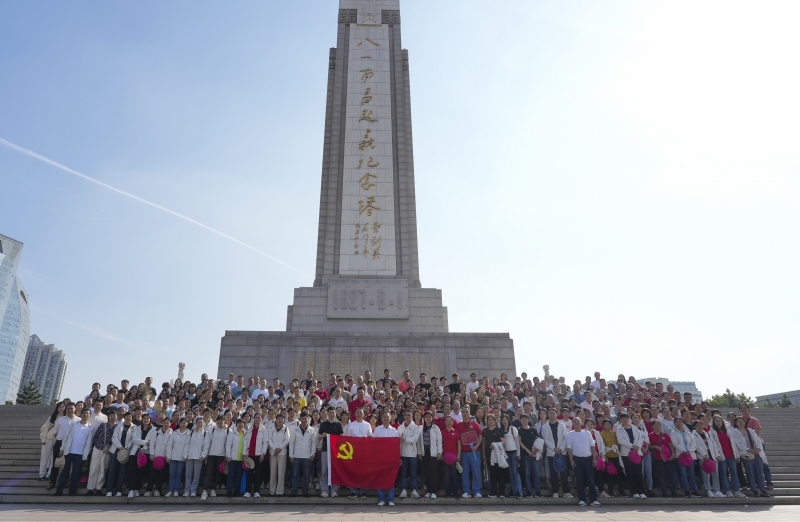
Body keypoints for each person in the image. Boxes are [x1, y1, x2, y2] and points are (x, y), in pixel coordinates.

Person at [54, 408, 93, 496]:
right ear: (81, 414)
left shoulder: (90, 428)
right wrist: (62, 449)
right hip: (69, 452)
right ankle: (59, 490)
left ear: (90, 416)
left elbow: (89, 443)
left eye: (87, 414)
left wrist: (87, 453)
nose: (85, 415)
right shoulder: (73, 425)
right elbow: (66, 437)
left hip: (80, 454)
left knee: (76, 473)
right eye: (84, 413)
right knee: (64, 472)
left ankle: (72, 491)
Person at [731, 416, 769, 497]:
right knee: (750, 472)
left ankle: (763, 490)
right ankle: (754, 489)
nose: (741, 423)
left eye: (742, 421)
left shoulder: (750, 431)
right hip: (746, 454)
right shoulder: (734, 432)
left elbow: (758, 441)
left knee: (760, 472)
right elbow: (737, 444)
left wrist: (758, 448)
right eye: (739, 421)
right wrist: (748, 449)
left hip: (756, 453)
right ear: (736, 423)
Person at [566, 417, 601, 507]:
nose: (576, 423)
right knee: (580, 480)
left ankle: (593, 500)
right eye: (574, 422)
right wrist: (571, 460)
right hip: (577, 459)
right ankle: (582, 499)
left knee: (591, 480)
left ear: (581, 423)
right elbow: (569, 448)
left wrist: (594, 459)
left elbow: (592, 446)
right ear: (572, 424)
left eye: (578, 421)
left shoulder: (587, 433)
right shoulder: (570, 434)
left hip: (588, 459)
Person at [711, 415, 745, 498]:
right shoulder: (712, 432)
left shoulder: (727, 431)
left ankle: (736, 490)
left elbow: (733, 444)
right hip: (722, 456)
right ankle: (727, 491)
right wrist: (717, 455)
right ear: (714, 423)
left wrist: (736, 454)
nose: (718, 422)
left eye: (720, 421)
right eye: (716, 421)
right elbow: (713, 445)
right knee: (723, 474)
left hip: (731, 455)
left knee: (734, 473)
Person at [541, 408, 571, 498]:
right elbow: (545, 439)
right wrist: (554, 448)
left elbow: (566, 437)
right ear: (548, 415)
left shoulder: (562, 425)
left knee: (563, 472)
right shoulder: (545, 426)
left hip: (562, 452)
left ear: (556, 414)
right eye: (550, 413)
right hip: (551, 452)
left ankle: (566, 492)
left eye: (553, 413)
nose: (552, 415)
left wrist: (561, 448)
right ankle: (555, 492)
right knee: (553, 473)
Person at [615, 413, 646, 499]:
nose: (625, 420)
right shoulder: (619, 429)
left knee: (639, 473)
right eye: (623, 418)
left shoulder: (635, 427)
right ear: (620, 420)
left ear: (629, 419)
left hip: (637, 453)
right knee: (630, 473)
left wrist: (637, 446)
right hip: (626, 454)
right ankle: (634, 492)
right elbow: (621, 440)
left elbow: (641, 438)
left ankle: (642, 492)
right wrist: (632, 446)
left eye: (626, 418)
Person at [86, 410, 117, 495]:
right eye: (111, 415)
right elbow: (96, 436)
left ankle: (99, 488)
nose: (112, 417)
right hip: (98, 447)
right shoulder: (103, 425)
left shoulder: (117, 427)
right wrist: (94, 446)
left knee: (103, 469)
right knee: (94, 467)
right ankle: (91, 488)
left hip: (108, 450)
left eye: (114, 415)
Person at [373, 412, 400, 506]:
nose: (385, 418)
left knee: (390, 479)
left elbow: (397, 446)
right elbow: (374, 444)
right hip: (380, 459)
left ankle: (391, 499)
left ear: (390, 419)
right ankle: (381, 499)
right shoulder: (377, 430)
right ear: (381, 419)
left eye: (387, 417)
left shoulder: (394, 431)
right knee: (380, 478)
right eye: (384, 417)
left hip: (391, 459)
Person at [670, 418, 702, 498]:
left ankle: (694, 490)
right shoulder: (673, 432)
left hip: (690, 455)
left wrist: (689, 451)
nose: (678, 423)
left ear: (683, 423)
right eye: (676, 422)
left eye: (680, 422)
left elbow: (694, 444)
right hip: (680, 455)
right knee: (683, 474)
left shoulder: (688, 433)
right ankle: (687, 491)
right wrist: (684, 451)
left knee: (691, 474)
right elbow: (675, 444)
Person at [48, 402, 77, 489]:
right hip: (59, 442)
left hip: (72, 444)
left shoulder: (78, 420)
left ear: (75, 409)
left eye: (72, 408)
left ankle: (63, 482)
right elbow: (55, 432)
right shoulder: (60, 420)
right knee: (56, 463)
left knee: (67, 464)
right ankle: (52, 481)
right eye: (68, 409)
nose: (70, 410)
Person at [345, 408, 372, 499]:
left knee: (364, 472)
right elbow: (348, 439)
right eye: (358, 412)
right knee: (354, 471)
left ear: (364, 414)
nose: (359, 414)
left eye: (361, 412)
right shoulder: (351, 425)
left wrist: (366, 438)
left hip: (364, 452)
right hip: (354, 452)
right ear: (355, 414)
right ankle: (354, 491)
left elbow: (371, 437)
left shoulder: (367, 425)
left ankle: (363, 491)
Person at [200, 416, 229, 500]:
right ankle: (204, 491)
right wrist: (204, 454)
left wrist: (227, 455)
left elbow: (227, 444)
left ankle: (213, 490)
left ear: (224, 422)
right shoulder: (211, 430)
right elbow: (207, 443)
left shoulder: (227, 431)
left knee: (217, 473)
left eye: (221, 423)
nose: (220, 424)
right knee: (209, 473)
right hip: (212, 455)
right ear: (216, 422)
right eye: (218, 423)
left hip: (221, 455)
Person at [456, 410, 483, 498]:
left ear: (469, 414)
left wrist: (476, 446)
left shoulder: (474, 424)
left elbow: (480, 436)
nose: (465, 414)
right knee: (465, 472)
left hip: (475, 452)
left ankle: (477, 491)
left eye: (466, 412)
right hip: (464, 453)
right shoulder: (458, 425)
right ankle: (466, 491)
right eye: (463, 412)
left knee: (476, 471)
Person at [317, 406, 343, 498]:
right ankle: (324, 490)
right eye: (330, 413)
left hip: (335, 451)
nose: (332, 414)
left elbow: (341, 437)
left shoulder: (338, 424)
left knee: (334, 470)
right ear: (327, 413)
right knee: (324, 470)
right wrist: (323, 435)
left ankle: (334, 490)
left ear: (335, 414)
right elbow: (318, 437)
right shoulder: (323, 424)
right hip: (325, 450)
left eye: (333, 413)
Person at [289, 412, 316, 497]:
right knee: (295, 475)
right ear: (300, 419)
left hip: (307, 456)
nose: (304, 420)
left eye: (306, 418)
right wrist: (291, 455)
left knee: (306, 476)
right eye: (302, 418)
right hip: (296, 456)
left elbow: (313, 443)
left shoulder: (312, 430)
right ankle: (294, 492)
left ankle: (305, 492)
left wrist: (312, 454)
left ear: (308, 419)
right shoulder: (295, 429)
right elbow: (292, 443)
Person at [648, 420, 677, 498]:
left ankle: (673, 492)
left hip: (668, 458)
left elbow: (670, 445)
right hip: (658, 458)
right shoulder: (650, 435)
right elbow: (649, 446)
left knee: (669, 475)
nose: (657, 426)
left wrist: (673, 453)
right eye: (655, 425)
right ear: (652, 426)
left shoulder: (665, 435)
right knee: (661, 475)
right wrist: (655, 447)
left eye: (658, 425)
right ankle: (664, 492)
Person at [243, 413, 268, 498]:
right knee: (249, 474)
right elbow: (246, 441)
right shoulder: (250, 429)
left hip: (258, 455)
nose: (257, 419)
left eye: (259, 418)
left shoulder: (264, 430)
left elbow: (265, 442)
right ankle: (248, 491)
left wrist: (263, 453)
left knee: (258, 474)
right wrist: (245, 453)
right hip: (250, 455)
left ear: (261, 419)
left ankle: (257, 491)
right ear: (254, 419)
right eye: (256, 418)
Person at [397, 408, 421, 499]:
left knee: (413, 473)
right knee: (403, 473)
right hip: (402, 454)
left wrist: (405, 439)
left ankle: (413, 490)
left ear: (412, 416)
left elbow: (415, 439)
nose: (407, 416)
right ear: (403, 416)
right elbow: (397, 439)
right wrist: (401, 440)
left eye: (409, 415)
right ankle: (404, 490)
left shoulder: (415, 427)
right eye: (405, 415)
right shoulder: (400, 427)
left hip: (412, 454)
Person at [419, 411, 442, 499]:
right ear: (424, 418)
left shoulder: (436, 428)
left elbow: (439, 440)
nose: (428, 418)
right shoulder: (420, 428)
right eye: (426, 417)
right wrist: (419, 453)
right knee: (427, 472)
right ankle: (428, 491)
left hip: (434, 452)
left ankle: (434, 491)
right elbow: (419, 442)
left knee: (434, 472)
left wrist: (439, 452)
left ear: (432, 418)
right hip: (425, 452)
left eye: (429, 417)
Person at [518, 414, 542, 497]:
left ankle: (537, 491)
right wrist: (527, 451)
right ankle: (529, 491)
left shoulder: (533, 429)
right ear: (520, 420)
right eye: (522, 419)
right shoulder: (519, 430)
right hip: (525, 454)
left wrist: (537, 449)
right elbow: (519, 442)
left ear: (528, 420)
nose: (524, 420)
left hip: (534, 454)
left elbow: (539, 440)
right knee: (527, 473)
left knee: (536, 473)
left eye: (525, 419)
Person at [166, 417, 190, 497]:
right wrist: (168, 456)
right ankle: (170, 490)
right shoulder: (175, 433)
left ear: (187, 424)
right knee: (172, 474)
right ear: (179, 424)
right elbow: (169, 445)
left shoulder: (189, 433)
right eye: (181, 423)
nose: (183, 424)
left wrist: (185, 455)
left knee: (178, 474)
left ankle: (176, 490)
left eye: (184, 423)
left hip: (182, 458)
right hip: (173, 457)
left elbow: (187, 445)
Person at [483, 415, 506, 498]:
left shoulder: (499, 430)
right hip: (489, 454)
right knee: (492, 473)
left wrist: (495, 445)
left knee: (499, 473)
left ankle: (502, 493)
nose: (490, 421)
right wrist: (483, 453)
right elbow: (484, 443)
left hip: (497, 454)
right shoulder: (485, 430)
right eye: (489, 420)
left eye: (492, 420)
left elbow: (503, 441)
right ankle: (493, 492)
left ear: (495, 421)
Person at [500, 415, 523, 498]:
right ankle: (513, 491)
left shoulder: (513, 429)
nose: (504, 421)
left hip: (514, 452)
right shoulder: (501, 430)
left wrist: (518, 453)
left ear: (509, 420)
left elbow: (517, 442)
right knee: (511, 473)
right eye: (503, 420)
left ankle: (519, 492)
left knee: (516, 473)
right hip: (506, 453)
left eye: (506, 419)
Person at [268, 414, 291, 496]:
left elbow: (287, 440)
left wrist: (279, 448)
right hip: (273, 453)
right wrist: (275, 449)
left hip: (282, 453)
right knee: (273, 472)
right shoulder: (271, 429)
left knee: (281, 473)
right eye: (278, 419)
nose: (280, 421)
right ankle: (272, 490)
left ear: (283, 420)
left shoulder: (286, 429)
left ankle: (280, 491)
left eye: (281, 419)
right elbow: (269, 440)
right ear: (276, 420)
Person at [184, 418, 206, 497]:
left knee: (196, 475)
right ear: (196, 423)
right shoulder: (191, 432)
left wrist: (203, 456)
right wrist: (185, 455)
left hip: (198, 457)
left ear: (203, 424)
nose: (200, 424)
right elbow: (187, 444)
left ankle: (193, 490)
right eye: (198, 422)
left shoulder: (205, 433)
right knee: (188, 474)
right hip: (189, 456)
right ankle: (187, 491)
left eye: (201, 422)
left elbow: (206, 446)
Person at [225, 419, 247, 497]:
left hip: (241, 459)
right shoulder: (232, 433)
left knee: (238, 476)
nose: (240, 425)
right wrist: (228, 455)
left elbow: (246, 446)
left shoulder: (246, 434)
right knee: (231, 475)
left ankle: (236, 491)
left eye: (242, 423)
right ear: (236, 424)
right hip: (233, 458)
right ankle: (229, 491)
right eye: (239, 423)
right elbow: (228, 445)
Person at [441, 415, 461, 499]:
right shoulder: (442, 432)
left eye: (450, 421)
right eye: (447, 421)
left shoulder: (456, 432)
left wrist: (458, 455)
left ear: (452, 422)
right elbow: (440, 444)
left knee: (454, 475)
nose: (448, 422)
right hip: (445, 457)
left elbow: (459, 444)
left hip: (454, 458)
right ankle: (448, 492)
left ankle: (455, 492)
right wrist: (441, 454)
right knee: (446, 475)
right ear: (445, 422)